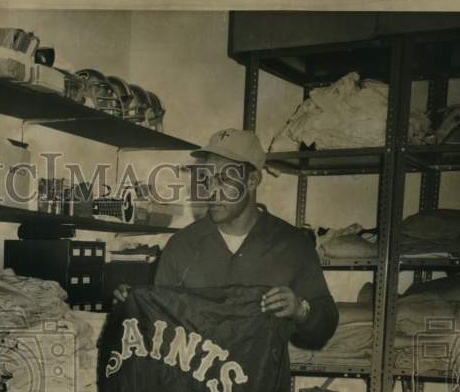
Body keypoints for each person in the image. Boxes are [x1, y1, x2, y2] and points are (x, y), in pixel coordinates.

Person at [114, 127, 339, 351]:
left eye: (222, 179)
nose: (210, 190)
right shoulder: (182, 245)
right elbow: (159, 326)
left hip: (261, 385)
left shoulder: (292, 244)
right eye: (206, 179)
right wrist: (133, 307)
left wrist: (300, 310)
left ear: (252, 181)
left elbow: (323, 329)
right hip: (191, 384)